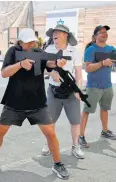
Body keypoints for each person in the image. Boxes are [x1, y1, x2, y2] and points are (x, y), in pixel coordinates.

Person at [0, 28, 70, 180]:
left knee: (50, 133)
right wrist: (20, 64)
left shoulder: (38, 51)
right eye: (29, 42)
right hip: (14, 101)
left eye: (33, 42)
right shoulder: (12, 51)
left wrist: (57, 62)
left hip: (37, 101)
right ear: (20, 42)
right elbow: (3, 73)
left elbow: (48, 62)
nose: (32, 44)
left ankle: (58, 164)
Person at [40, 24, 85, 159]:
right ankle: (48, 144)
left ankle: (75, 146)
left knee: (75, 121)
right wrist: (51, 73)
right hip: (54, 92)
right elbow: (41, 69)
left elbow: (78, 73)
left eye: (58, 32)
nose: (55, 35)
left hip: (71, 91)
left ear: (66, 35)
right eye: (54, 33)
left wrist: (78, 89)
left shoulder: (75, 52)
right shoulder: (49, 49)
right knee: (50, 121)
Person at [79, 25, 116, 148]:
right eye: (101, 32)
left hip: (107, 85)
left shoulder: (112, 49)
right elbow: (88, 68)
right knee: (86, 111)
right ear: (95, 36)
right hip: (93, 86)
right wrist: (102, 63)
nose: (104, 34)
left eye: (105, 32)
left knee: (105, 109)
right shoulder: (91, 50)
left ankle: (105, 131)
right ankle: (81, 136)